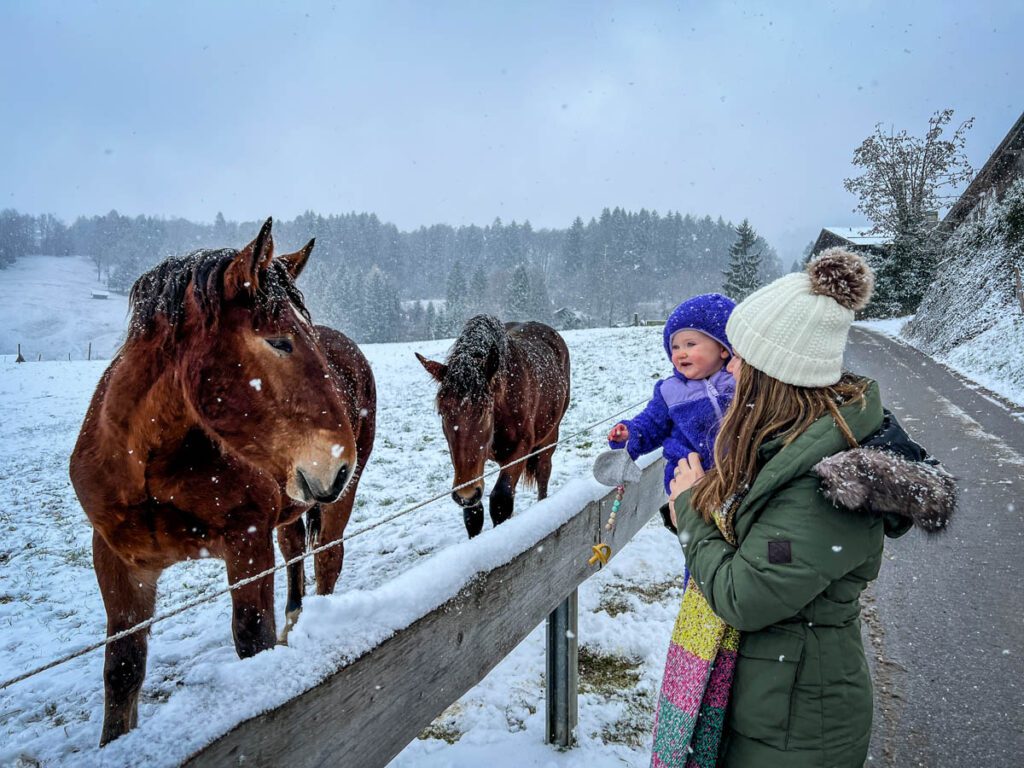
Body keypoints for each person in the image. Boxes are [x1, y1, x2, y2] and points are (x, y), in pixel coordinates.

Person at [658, 248, 956, 767]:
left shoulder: (826, 486)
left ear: (772, 374)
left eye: (738, 355)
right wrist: (700, 502)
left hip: (795, 729)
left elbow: (744, 595)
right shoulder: (787, 442)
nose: (729, 363)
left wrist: (690, 515)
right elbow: (752, 530)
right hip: (771, 700)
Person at [607, 292, 736, 500]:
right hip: (691, 479)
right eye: (674, 347)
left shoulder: (739, 379)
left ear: (722, 348)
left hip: (743, 475)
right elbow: (651, 424)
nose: (680, 353)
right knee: (704, 528)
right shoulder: (670, 391)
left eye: (690, 344)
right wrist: (630, 434)